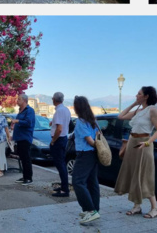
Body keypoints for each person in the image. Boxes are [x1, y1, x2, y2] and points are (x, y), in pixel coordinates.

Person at [114, 86, 157, 219]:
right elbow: (120, 116)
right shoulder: (139, 110)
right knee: (133, 174)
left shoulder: (152, 110)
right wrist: (135, 104)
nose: (136, 95)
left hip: (144, 143)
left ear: (146, 96)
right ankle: (136, 206)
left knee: (144, 175)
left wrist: (148, 142)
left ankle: (155, 208)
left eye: (139, 94)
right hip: (132, 142)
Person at [72, 96, 101, 224]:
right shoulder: (93, 120)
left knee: (77, 182)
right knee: (92, 182)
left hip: (85, 154)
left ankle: (90, 210)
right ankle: (94, 210)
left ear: (77, 107)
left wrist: (96, 145)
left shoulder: (81, 121)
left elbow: (90, 140)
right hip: (93, 155)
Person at [50, 92, 71, 197]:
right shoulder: (66, 109)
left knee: (60, 165)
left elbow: (59, 129)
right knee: (61, 164)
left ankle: (64, 190)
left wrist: (53, 140)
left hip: (59, 139)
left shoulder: (59, 111)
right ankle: (64, 186)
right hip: (64, 138)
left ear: (54, 99)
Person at [11, 94, 35, 184]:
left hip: (25, 138)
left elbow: (28, 122)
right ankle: (25, 176)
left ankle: (28, 178)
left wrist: (17, 121)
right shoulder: (20, 111)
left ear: (24, 100)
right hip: (19, 138)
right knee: (22, 158)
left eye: (19, 99)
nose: (17, 101)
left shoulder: (29, 110)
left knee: (26, 158)